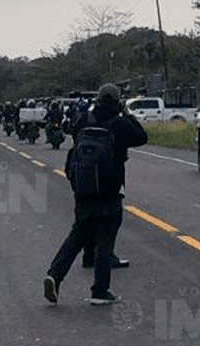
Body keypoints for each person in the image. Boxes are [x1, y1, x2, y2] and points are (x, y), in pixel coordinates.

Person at [42, 83, 147, 306]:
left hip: (83, 189)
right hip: (110, 190)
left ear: (98, 98)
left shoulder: (82, 119)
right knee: (106, 237)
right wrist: (127, 113)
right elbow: (142, 137)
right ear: (117, 101)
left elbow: (71, 133)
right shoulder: (119, 123)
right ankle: (99, 290)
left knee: (78, 234)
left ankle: (55, 275)